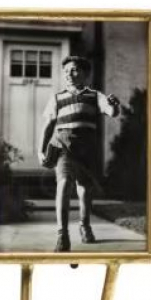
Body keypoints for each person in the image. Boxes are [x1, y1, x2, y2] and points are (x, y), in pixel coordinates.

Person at [38, 55, 121, 252]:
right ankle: (62, 235)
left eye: (74, 70)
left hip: (87, 150)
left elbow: (112, 112)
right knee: (64, 183)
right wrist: (41, 150)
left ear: (85, 74)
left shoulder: (95, 96)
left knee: (84, 189)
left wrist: (114, 104)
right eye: (66, 71)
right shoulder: (57, 98)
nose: (69, 74)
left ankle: (85, 225)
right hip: (63, 147)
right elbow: (48, 125)